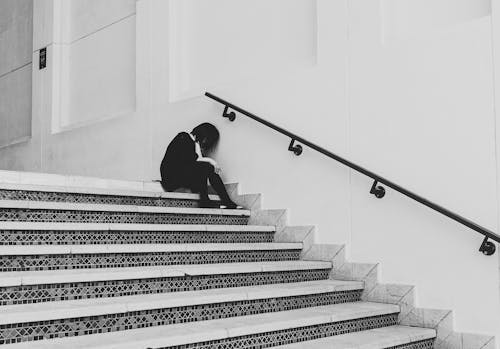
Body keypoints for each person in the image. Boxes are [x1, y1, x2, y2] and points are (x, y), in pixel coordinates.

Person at [160, 123, 242, 209]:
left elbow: (195, 161)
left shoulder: (193, 142)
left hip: (181, 175)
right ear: (203, 134)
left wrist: (208, 161)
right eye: (207, 139)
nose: (205, 143)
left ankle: (223, 201)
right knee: (207, 167)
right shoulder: (183, 137)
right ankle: (209, 200)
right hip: (171, 178)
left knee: (207, 168)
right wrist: (212, 162)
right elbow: (192, 160)